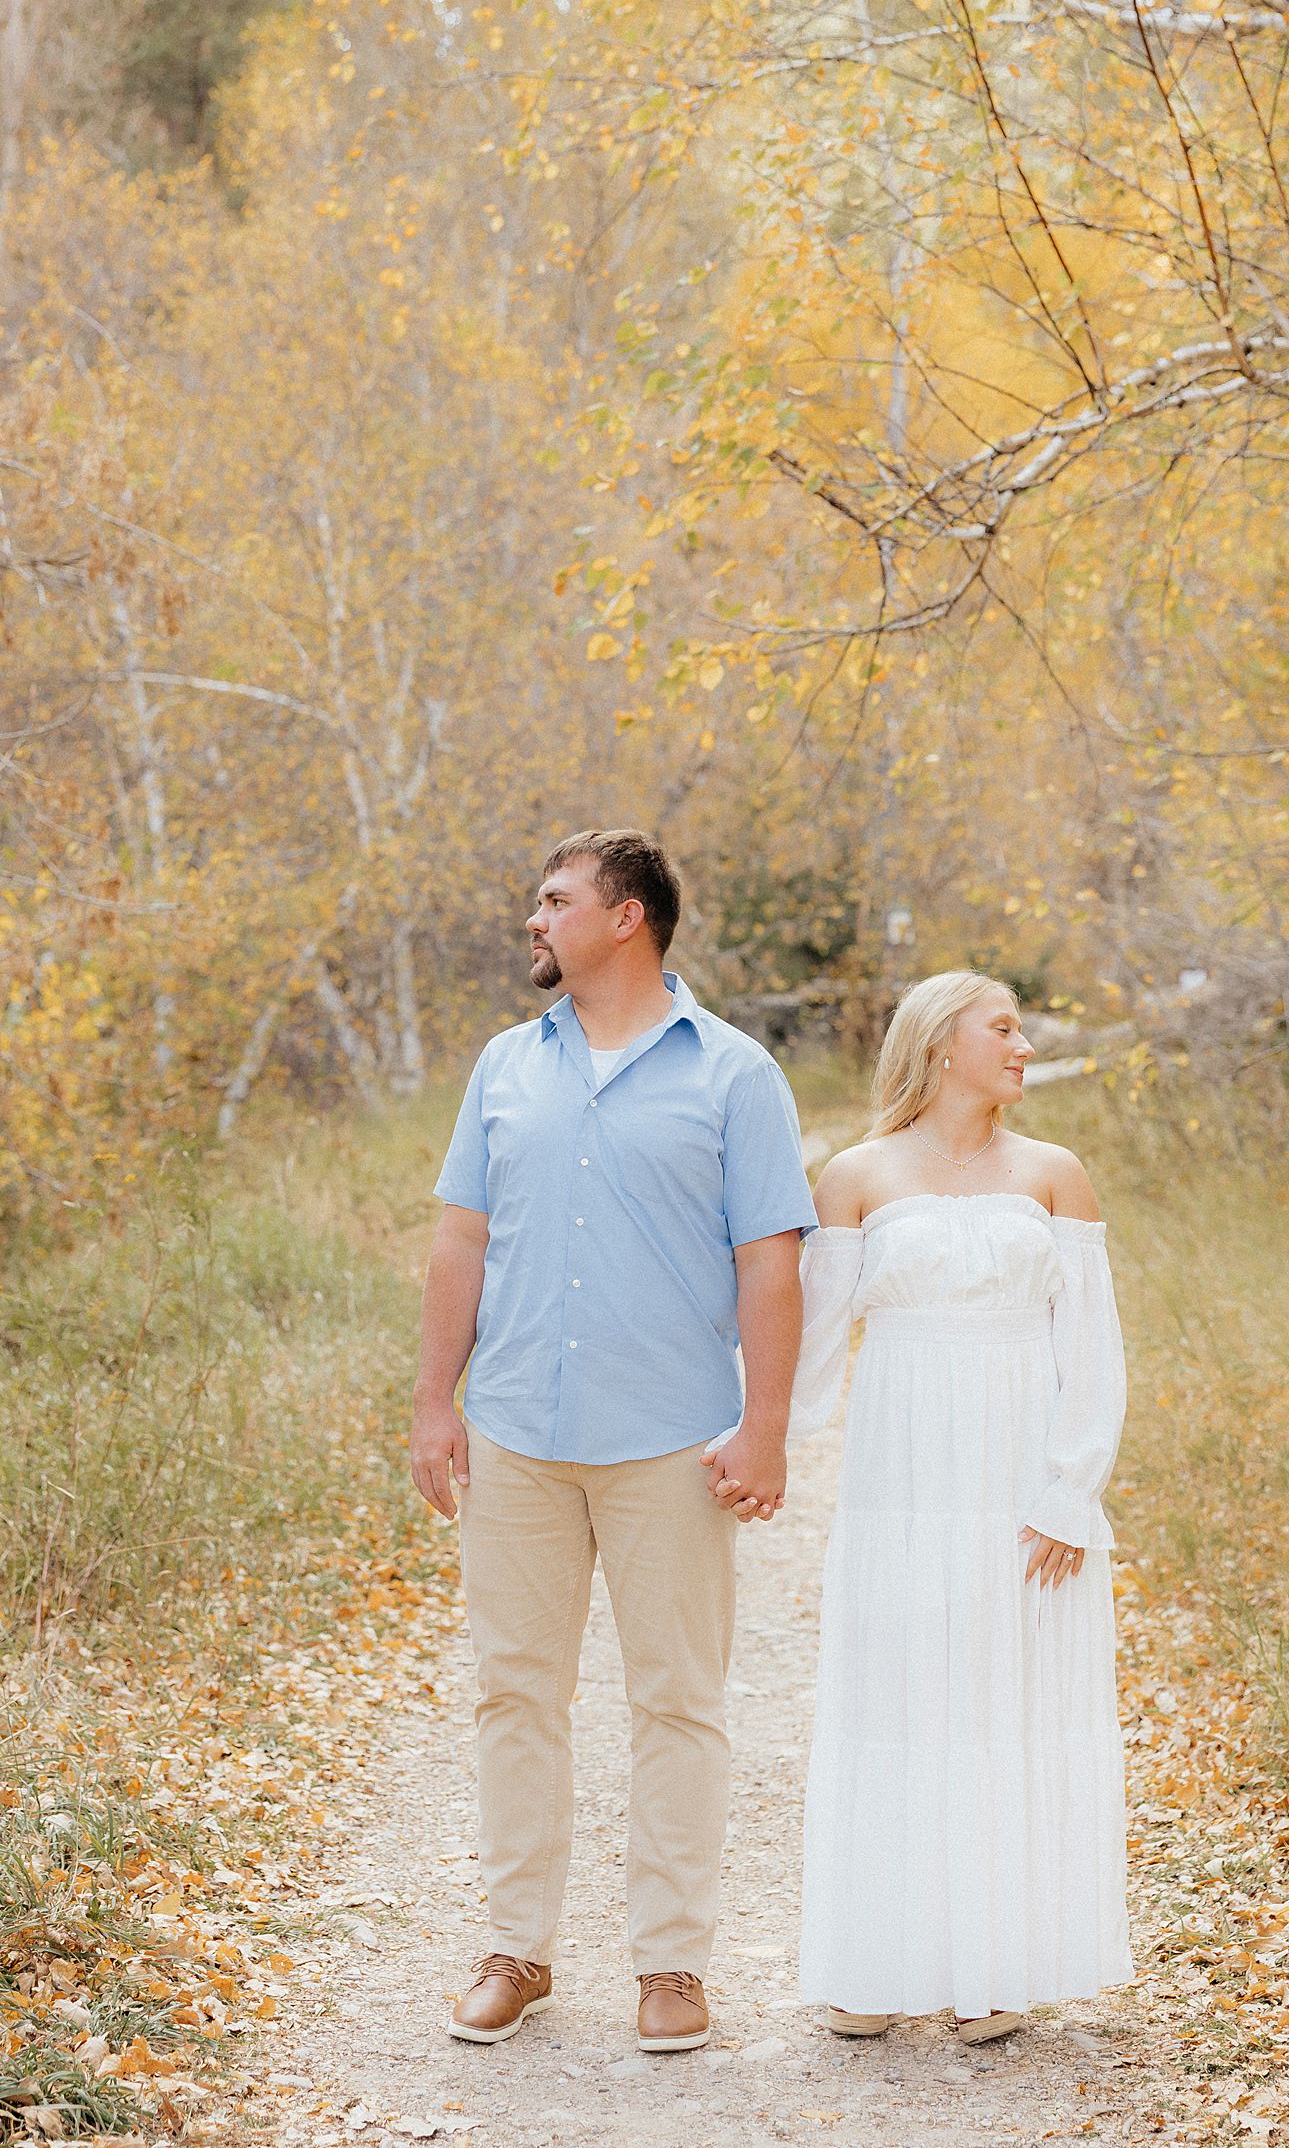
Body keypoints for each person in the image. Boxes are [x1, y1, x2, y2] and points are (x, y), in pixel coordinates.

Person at [410, 828, 815, 2055]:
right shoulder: (503, 1067)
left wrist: (768, 1426)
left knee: (677, 1702)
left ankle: (672, 1966)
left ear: (625, 917)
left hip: (669, 1442)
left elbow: (770, 1260)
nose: (533, 920)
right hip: (520, 1429)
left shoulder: (735, 1075)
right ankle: (516, 1950)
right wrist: (435, 1404)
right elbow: (460, 1243)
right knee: (513, 1696)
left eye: (554, 900)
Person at [789, 969, 1131, 2042]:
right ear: (943, 1044)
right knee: (897, 1698)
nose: (1024, 1045)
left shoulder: (1054, 1174)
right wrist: (747, 1447)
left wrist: (1069, 1494)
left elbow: (1093, 1353)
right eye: (1006, 1028)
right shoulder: (853, 1175)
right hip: (900, 1480)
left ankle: (990, 1966)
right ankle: (873, 1965)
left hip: (1020, 1479)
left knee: (1003, 1708)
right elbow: (808, 1348)